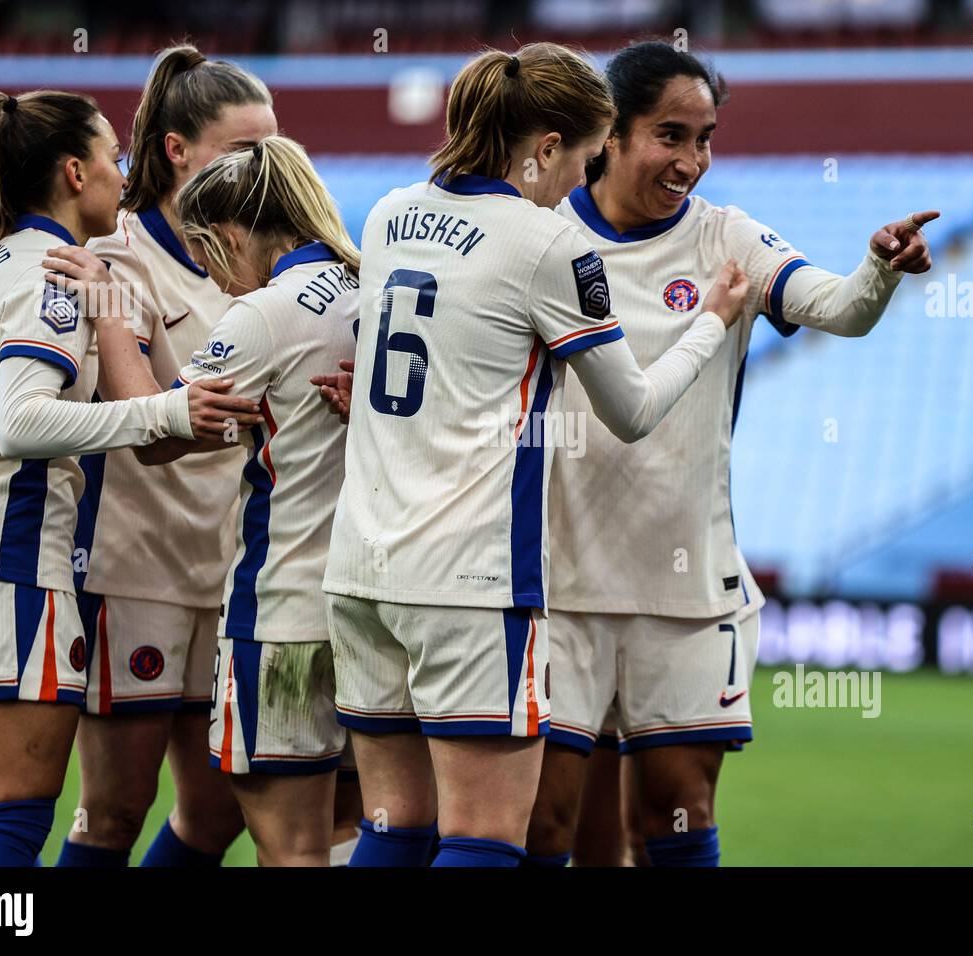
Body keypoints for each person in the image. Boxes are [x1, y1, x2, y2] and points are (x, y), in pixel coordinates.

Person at [320, 42, 751, 868]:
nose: (579, 185)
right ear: (548, 148)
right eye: (584, 159)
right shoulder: (549, 243)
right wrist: (712, 322)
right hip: (469, 583)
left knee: (396, 827)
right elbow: (632, 411)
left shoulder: (387, 213)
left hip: (362, 567)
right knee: (486, 838)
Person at [524, 41, 937, 867]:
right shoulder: (540, 238)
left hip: (686, 584)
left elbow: (839, 309)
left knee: (677, 813)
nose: (691, 161)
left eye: (705, 138)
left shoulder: (728, 238)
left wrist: (879, 269)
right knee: (545, 826)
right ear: (611, 133)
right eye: (669, 136)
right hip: (556, 584)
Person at [0, 89, 260, 867]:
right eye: (113, 161)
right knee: (11, 823)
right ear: (73, 171)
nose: (124, 176)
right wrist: (165, 416)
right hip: (1, 570)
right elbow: (23, 423)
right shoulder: (54, 274)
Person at [47, 134, 360, 864]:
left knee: (290, 847)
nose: (218, 283)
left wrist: (108, 309)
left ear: (224, 234)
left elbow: (155, 433)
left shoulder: (263, 315)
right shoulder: (371, 287)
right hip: (368, 606)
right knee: (360, 829)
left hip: (281, 613)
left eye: (211, 259)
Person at [55, 45, 277, 868]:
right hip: (134, 563)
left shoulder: (264, 262)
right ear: (178, 150)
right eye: (240, 149)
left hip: (231, 570)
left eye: (271, 148)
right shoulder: (118, 257)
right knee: (112, 813)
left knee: (218, 814)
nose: (261, 168)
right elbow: (136, 421)